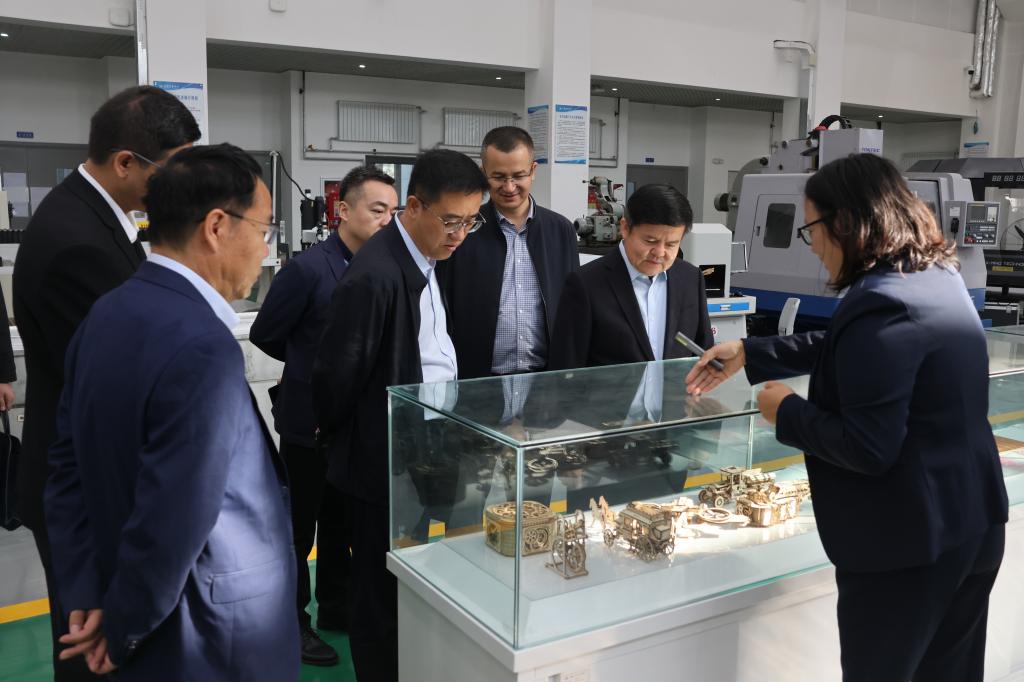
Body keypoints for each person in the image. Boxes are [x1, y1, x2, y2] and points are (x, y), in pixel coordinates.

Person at [686, 153, 1008, 682]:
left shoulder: (881, 301)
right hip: (971, 523)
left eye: (810, 228)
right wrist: (751, 351)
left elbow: (868, 447)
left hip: (906, 546)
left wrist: (786, 411)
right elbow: (856, 346)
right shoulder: (934, 275)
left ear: (845, 223)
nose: (811, 245)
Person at [44, 144, 299, 681]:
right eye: (263, 228)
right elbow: (174, 515)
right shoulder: (203, 347)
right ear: (216, 226)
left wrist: (86, 592)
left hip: (129, 602)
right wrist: (124, 627)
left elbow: (65, 468)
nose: (264, 248)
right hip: (205, 636)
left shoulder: (106, 313)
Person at [13, 85, 199, 681]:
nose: (177, 187)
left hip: (86, 473)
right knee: (95, 649)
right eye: (169, 171)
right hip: (86, 488)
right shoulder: (77, 243)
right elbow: (116, 381)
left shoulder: (94, 217)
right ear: (125, 163)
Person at [312, 148, 488, 682]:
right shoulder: (377, 275)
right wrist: (354, 443)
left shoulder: (425, 259)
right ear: (414, 207)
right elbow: (337, 378)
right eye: (451, 220)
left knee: (416, 576)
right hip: (385, 458)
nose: (460, 234)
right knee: (378, 588)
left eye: (470, 221)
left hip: (426, 444)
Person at [249, 166, 398, 666]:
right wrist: (311, 367)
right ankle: (293, 625)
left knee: (341, 523)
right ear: (344, 210)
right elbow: (267, 333)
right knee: (298, 529)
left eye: (392, 211)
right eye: (376, 210)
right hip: (308, 423)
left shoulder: (382, 267)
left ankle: (336, 606)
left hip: (352, 424)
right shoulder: (309, 270)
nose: (386, 220)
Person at [436, 126, 579, 378]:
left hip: (545, 379)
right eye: (499, 177)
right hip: (476, 380)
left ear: (533, 171)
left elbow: (572, 307)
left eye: (518, 176)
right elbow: (443, 306)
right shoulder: (463, 230)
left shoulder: (561, 230)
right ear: (483, 174)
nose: (509, 187)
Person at [548, 183, 712, 370]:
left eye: (671, 244)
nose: (659, 252)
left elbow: (704, 353)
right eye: (650, 241)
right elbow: (565, 368)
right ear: (625, 228)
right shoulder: (585, 284)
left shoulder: (691, 279)